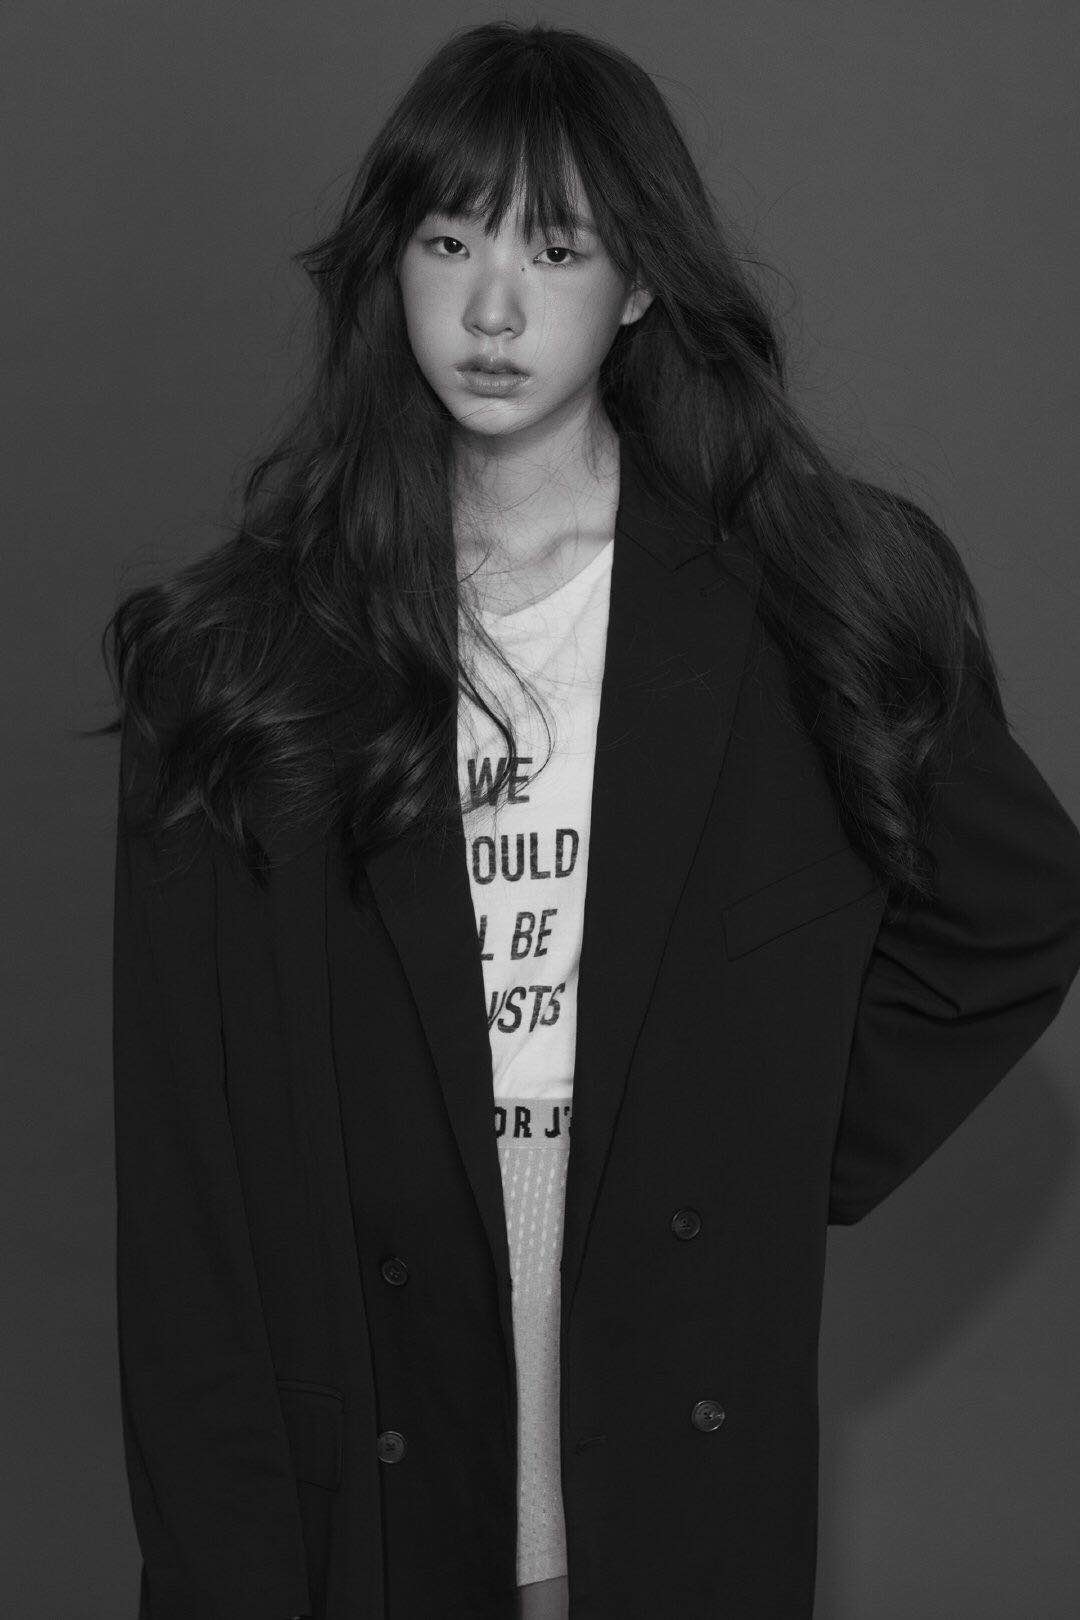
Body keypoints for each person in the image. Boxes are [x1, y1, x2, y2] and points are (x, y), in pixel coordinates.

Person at [95, 19, 1080, 1620]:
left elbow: (1013, 906)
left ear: (636, 285)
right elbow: (187, 1182)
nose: (493, 308)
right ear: (390, 264)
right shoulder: (236, 658)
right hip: (367, 1377)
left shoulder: (802, 591)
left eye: (555, 250)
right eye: (449, 241)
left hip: (664, 1357)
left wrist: (755, 1145)